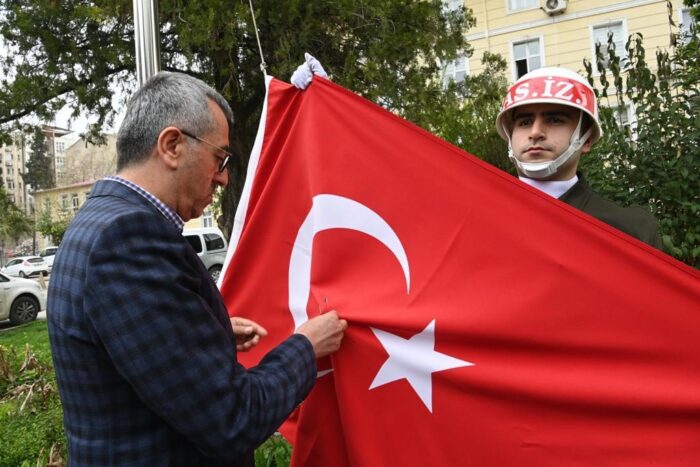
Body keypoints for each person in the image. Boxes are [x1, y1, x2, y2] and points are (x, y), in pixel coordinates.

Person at [47, 71, 347, 466]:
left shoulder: (99, 219)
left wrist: (213, 328)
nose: (223, 178)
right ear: (172, 145)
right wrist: (306, 347)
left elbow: (145, 356)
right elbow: (232, 418)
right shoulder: (128, 239)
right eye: (219, 158)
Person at [495, 67, 662, 248]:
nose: (535, 132)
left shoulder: (631, 231)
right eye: (525, 122)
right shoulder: (479, 214)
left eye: (554, 120)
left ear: (587, 139)